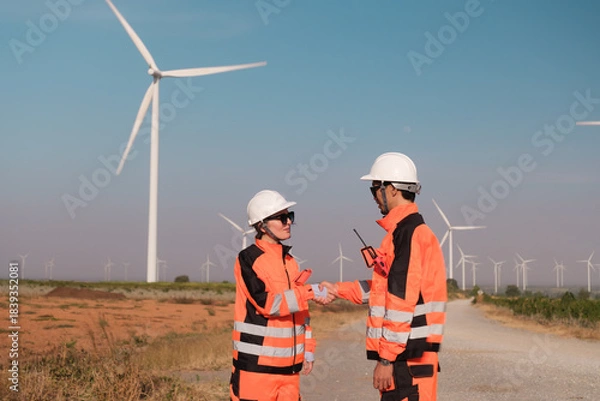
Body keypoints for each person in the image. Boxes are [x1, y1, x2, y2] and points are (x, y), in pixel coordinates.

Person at [323, 152, 447, 401]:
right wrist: (338, 290)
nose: (373, 196)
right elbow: (384, 290)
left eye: (374, 188)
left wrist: (386, 358)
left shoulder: (408, 234)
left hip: (406, 360)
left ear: (390, 189)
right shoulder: (407, 233)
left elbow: (401, 301)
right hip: (410, 357)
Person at [229, 189, 333, 401]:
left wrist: (308, 350)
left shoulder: (290, 262)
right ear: (261, 225)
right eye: (282, 217)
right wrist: (310, 291)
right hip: (256, 369)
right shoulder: (248, 259)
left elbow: (302, 312)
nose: (288, 222)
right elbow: (267, 304)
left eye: (290, 216)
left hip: (289, 370)